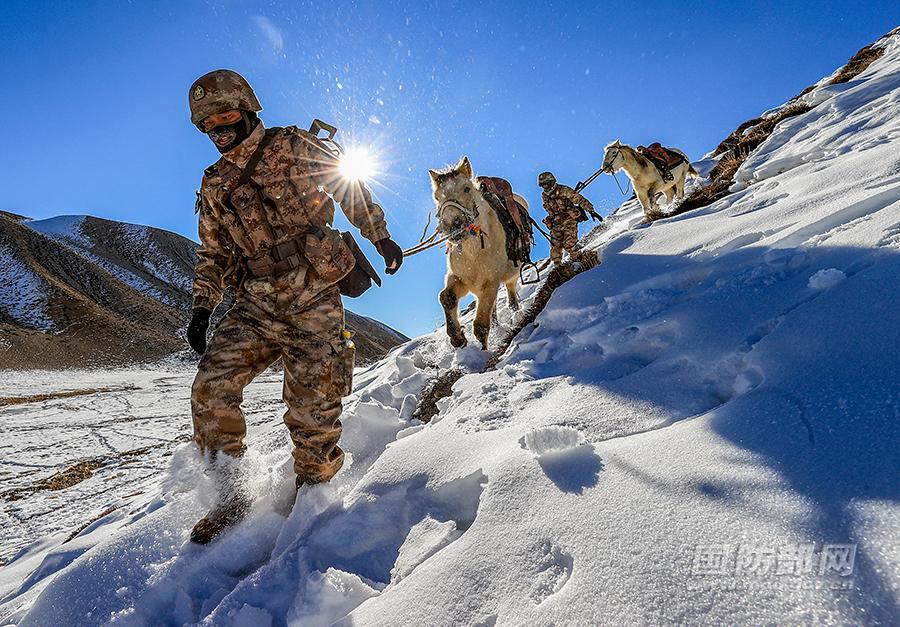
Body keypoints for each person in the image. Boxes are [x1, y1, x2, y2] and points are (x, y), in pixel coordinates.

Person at [185, 69, 403, 543]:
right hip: (255, 305)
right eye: (210, 126)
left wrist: (379, 235)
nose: (220, 132)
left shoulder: (292, 144)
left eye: (226, 117)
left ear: (246, 110)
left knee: (313, 409)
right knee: (210, 388)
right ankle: (231, 497)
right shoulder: (213, 183)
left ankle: (313, 498)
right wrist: (203, 305)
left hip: (312, 295)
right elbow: (215, 252)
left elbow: (348, 187)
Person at [538, 171, 600, 265]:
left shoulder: (563, 190)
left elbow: (578, 199)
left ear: (551, 182)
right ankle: (559, 268)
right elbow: (551, 211)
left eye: (546, 184)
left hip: (569, 220)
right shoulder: (545, 196)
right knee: (555, 248)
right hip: (556, 223)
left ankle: (580, 263)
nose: (545, 187)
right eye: (543, 185)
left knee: (569, 244)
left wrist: (591, 210)